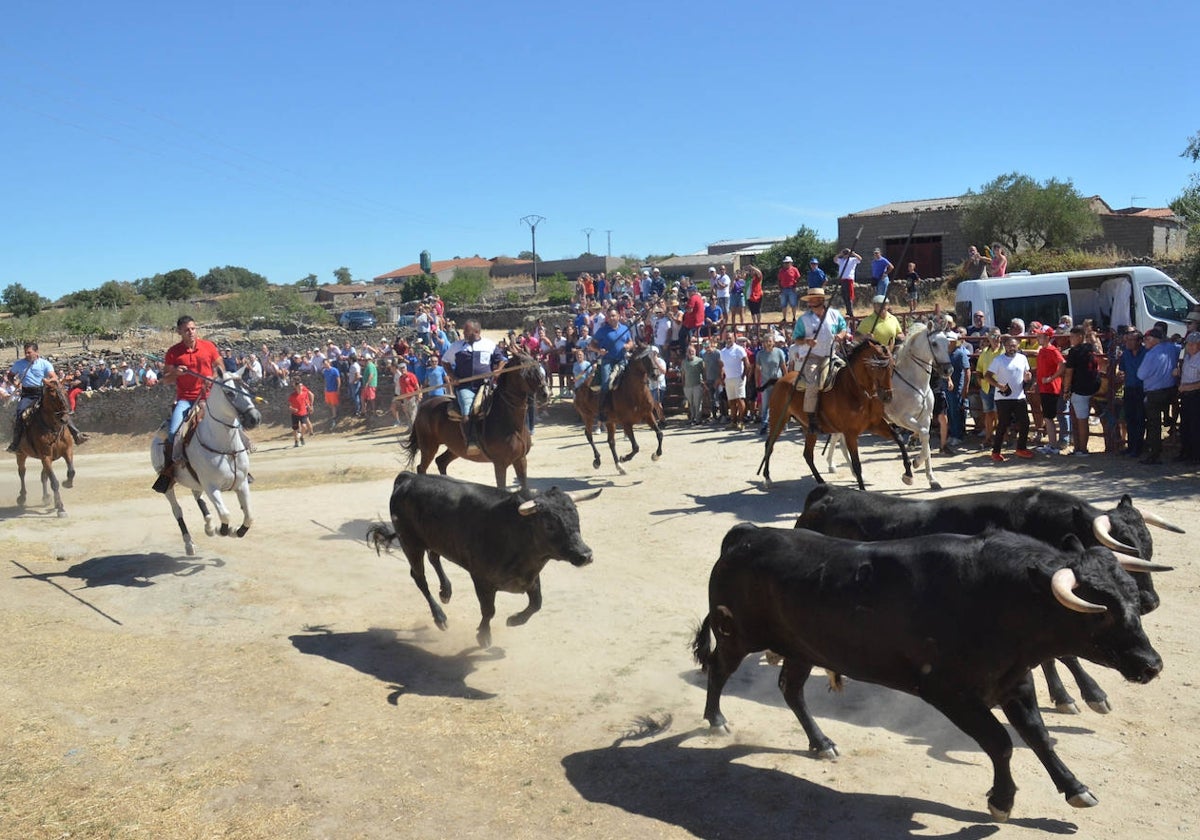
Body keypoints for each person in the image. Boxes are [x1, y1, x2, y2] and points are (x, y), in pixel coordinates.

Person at [151, 317, 225, 493]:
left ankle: (242, 463)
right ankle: (169, 472)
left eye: (193, 328)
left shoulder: (208, 346)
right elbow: (166, 380)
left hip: (210, 397)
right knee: (173, 432)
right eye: (186, 330)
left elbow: (220, 366)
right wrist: (176, 372)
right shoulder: (173, 352)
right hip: (186, 400)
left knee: (232, 420)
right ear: (179, 332)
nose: (190, 332)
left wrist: (214, 377)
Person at [8, 342, 85, 452]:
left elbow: (53, 377)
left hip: (43, 392)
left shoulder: (45, 364)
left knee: (61, 409)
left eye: (29, 352)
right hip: (28, 395)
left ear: (36, 352)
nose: (27, 355)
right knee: (20, 413)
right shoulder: (19, 364)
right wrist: (15, 383)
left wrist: (48, 381)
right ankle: (16, 443)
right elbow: (10, 375)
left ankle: (76, 433)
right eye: (25, 353)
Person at [791, 288, 848, 435]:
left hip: (831, 354)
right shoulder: (804, 319)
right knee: (812, 383)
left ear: (821, 300)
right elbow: (796, 338)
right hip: (812, 357)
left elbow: (843, 328)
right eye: (809, 299)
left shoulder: (835, 314)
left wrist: (841, 335)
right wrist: (806, 341)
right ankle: (811, 419)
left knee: (848, 375)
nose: (810, 302)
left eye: (813, 299)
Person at [443, 319, 505, 443]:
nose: (464, 333)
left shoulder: (489, 344)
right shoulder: (456, 346)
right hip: (465, 386)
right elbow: (445, 361)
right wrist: (452, 376)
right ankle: (471, 440)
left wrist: (498, 370)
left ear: (476, 331)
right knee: (467, 412)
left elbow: (502, 359)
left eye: (467, 331)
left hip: (486, 385)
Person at [984, 336, 1034, 462]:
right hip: (1003, 397)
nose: (1012, 348)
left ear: (1018, 346)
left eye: (1014, 345)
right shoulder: (999, 360)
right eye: (1009, 345)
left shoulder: (1022, 358)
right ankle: (996, 451)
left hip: (1019, 396)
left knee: (1025, 422)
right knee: (1003, 424)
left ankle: (1021, 448)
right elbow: (987, 375)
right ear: (1005, 346)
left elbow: (1026, 375)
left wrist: (1028, 379)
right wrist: (998, 385)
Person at [1138, 328, 1180, 465]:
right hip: (1170, 389)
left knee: (1154, 423)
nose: (1145, 342)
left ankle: (1154, 453)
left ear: (1156, 340)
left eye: (1148, 339)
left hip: (1154, 392)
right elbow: (1180, 346)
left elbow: (1141, 375)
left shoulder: (1151, 355)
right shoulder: (1172, 348)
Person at [1061, 325, 1101, 457]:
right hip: (1093, 386)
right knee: (1080, 418)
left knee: (1081, 419)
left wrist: (1066, 390)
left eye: (1072, 336)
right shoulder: (1091, 348)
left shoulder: (1075, 352)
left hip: (1080, 388)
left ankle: (1082, 449)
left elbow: (1069, 372)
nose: (1070, 339)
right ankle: (1079, 447)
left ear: (1079, 336)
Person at [589, 307, 634, 424]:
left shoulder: (625, 328)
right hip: (608, 360)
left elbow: (631, 341)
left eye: (614, 316)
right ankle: (602, 410)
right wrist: (599, 350)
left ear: (618, 316)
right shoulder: (602, 331)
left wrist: (628, 346)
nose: (612, 318)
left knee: (633, 380)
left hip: (622, 360)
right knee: (605, 384)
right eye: (610, 316)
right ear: (607, 318)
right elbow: (591, 345)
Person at [1034, 326, 1066, 455]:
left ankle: (1053, 445)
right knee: (1048, 417)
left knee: (1049, 417)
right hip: (1045, 387)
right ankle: (1052, 444)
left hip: (1051, 388)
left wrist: (1052, 378)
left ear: (1047, 337)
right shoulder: (1043, 350)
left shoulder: (1052, 350)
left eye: (1040, 336)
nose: (1038, 338)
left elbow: (1062, 364)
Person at [1116, 329, 1147, 457]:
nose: (1128, 342)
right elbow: (1122, 370)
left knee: (1140, 419)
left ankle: (1138, 448)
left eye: (1131, 340)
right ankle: (1131, 446)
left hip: (1142, 389)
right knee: (1130, 418)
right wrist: (1121, 376)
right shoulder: (1125, 355)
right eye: (1127, 340)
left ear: (1140, 341)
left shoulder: (1147, 353)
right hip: (1129, 388)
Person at [974, 329, 1003, 449]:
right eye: (992, 336)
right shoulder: (985, 352)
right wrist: (980, 381)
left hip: (1000, 386)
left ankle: (1003, 437)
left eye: (997, 336)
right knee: (988, 413)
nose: (995, 338)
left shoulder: (1004, 351)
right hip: (986, 387)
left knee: (999, 413)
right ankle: (989, 438)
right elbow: (979, 369)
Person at [755, 332, 786, 435]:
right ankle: (764, 425)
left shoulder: (779, 352)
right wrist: (757, 383)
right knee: (765, 405)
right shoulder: (760, 354)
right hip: (765, 383)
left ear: (773, 342)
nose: (768, 343)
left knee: (779, 404)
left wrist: (786, 380)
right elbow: (757, 369)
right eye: (766, 341)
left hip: (778, 382)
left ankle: (782, 424)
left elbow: (783, 366)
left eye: (770, 341)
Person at [718, 331, 750, 430]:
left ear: (734, 338)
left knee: (740, 400)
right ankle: (733, 421)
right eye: (727, 338)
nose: (728, 339)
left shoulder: (739, 349)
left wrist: (743, 376)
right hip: (728, 378)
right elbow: (722, 366)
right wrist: (722, 377)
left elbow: (747, 364)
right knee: (731, 401)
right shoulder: (722, 352)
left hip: (738, 377)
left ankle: (741, 421)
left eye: (730, 338)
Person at [946, 331, 972, 446]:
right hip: (947, 386)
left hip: (957, 386)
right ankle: (953, 433)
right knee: (950, 411)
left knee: (956, 410)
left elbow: (967, 371)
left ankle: (958, 435)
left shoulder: (960, 354)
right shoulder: (946, 354)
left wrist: (965, 388)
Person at [1177, 331, 1200, 463]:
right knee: (1185, 425)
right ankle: (1185, 452)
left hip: (1195, 396)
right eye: (1189, 344)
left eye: (1194, 344)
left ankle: (1195, 456)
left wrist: (1187, 387)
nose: (1190, 347)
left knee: (1195, 427)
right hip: (1185, 396)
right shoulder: (1186, 358)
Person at [391, 361, 420, 429]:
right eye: (401, 368)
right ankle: (410, 429)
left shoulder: (411, 375)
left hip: (412, 397)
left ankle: (414, 430)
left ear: (406, 368)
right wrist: (402, 400)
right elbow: (401, 389)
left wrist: (418, 396)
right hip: (405, 398)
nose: (402, 369)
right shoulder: (401, 378)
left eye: (403, 368)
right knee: (408, 414)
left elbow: (417, 386)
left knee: (413, 414)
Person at [833, 248, 862, 314]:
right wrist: (840, 253)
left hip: (849, 280)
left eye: (847, 253)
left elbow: (860, 259)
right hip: (842, 280)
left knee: (849, 296)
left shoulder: (852, 260)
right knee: (844, 296)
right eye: (845, 253)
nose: (845, 255)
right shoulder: (841, 260)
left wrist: (853, 253)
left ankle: (850, 312)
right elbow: (835, 259)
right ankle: (848, 311)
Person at [288, 378, 314, 447]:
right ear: (296, 387)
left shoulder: (305, 393)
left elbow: (306, 401)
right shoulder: (292, 395)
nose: (301, 387)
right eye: (299, 386)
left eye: (301, 386)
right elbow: (289, 407)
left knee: (304, 426)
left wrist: (310, 407)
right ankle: (296, 441)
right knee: (295, 429)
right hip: (295, 414)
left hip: (303, 413)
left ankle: (302, 437)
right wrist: (293, 409)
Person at [777, 256, 801, 324]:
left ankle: (794, 318)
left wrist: (795, 286)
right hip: (783, 289)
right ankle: (784, 318)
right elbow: (779, 280)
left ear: (791, 263)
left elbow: (798, 278)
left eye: (788, 262)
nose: (786, 264)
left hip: (791, 289)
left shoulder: (794, 270)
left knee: (793, 304)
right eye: (785, 263)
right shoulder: (781, 271)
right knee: (783, 305)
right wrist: (780, 288)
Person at [321, 356, 342, 427]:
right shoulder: (325, 371)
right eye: (324, 364)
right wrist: (325, 388)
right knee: (328, 403)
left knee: (333, 404)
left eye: (326, 363)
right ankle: (336, 413)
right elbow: (325, 380)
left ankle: (334, 417)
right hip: (328, 390)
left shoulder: (335, 370)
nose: (325, 365)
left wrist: (338, 389)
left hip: (333, 390)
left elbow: (338, 380)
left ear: (329, 363)